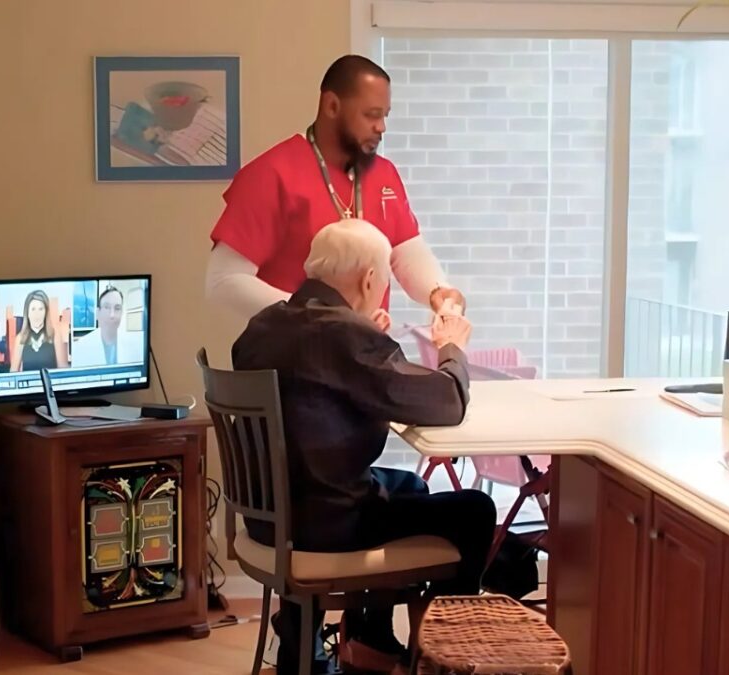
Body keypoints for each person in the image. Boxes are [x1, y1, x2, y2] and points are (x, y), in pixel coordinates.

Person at [232, 219, 496, 674]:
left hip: (270, 518)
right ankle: (442, 659)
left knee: (411, 484)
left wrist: (363, 335)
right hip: (330, 523)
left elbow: (315, 383)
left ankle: (360, 643)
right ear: (370, 279)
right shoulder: (345, 337)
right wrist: (451, 347)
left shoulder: (266, 324)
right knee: (475, 510)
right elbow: (447, 401)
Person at [206, 54, 465, 326]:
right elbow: (223, 281)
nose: (382, 127)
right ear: (331, 106)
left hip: (363, 357)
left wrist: (438, 291)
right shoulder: (271, 175)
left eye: (384, 115)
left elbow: (405, 251)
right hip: (296, 357)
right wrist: (320, 319)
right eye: (371, 115)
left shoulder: (384, 174)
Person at [72, 285, 144, 367]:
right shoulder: (81, 347)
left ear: (122, 313)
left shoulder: (135, 345)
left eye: (117, 308)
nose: (112, 315)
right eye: (107, 307)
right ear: (98, 313)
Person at [10, 289, 69, 372]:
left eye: (41, 309)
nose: (36, 314)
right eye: (33, 309)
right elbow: (13, 373)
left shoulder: (55, 335)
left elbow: (63, 370)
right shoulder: (20, 338)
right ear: (27, 313)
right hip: (29, 385)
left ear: (46, 312)